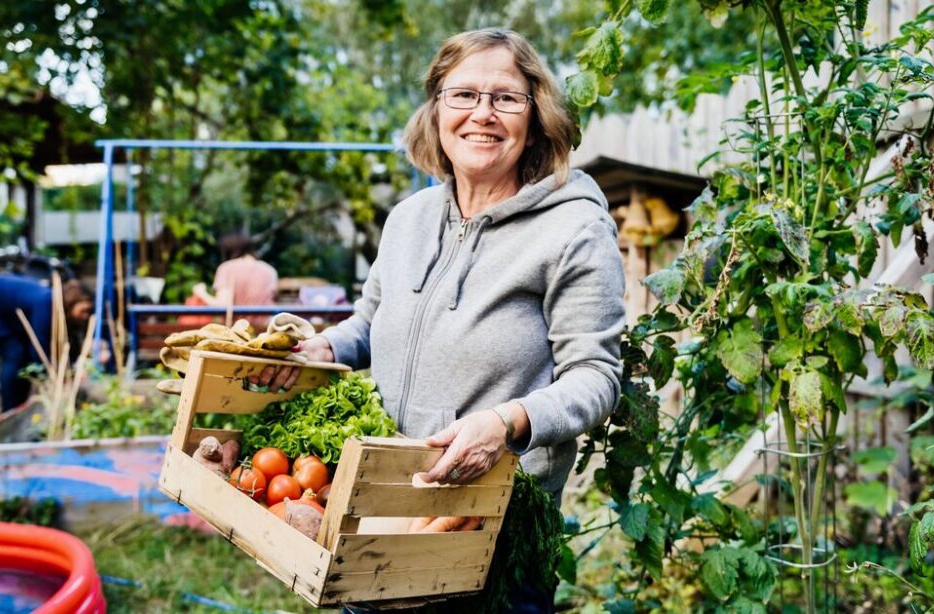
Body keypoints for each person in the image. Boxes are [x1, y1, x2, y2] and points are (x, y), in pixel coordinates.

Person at [254, 28, 625, 609]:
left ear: (535, 115)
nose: (483, 114)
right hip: (383, 507)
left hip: (491, 529)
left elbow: (597, 376)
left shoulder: (573, 228)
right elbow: (370, 321)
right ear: (436, 110)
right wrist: (323, 348)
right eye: (463, 95)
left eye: (506, 97)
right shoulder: (410, 218)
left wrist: (506, 424)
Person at [0, 275, 94, 412]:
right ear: (73, 301)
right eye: (84, 310)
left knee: (22, 356)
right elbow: (39, 346)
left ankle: (19, 406)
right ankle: (10, 409)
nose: (86, 316)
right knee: (15, 354)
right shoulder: (46, 303)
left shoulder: (54, 306)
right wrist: (55, 378)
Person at [188, 232, 278, 329]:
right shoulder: (270, 271)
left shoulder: (227, 268)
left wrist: (201, 293)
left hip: (237, 334)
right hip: (264, 333)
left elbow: (221, 306)